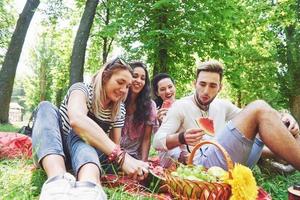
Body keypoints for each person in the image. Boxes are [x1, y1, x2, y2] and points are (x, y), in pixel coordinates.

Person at [32, 58, 149, 200]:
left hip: (86, 154)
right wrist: (122, 157)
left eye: (127, 86)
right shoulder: (82, 89)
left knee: (84, 137)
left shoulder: (119, 109)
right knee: (46, 107)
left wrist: (127, 161)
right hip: (55, 149)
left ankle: (90, 186)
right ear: (105, 77)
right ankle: (57, 181)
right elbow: (76, 119)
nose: (124, 90)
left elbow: (114, 144)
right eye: (120, 82)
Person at [153, 59, 300, 171]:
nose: (206, 91)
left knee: (288, 127)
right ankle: (283, 158)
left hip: (234, 163)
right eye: (202, 84)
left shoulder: (222, 105)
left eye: (212, 86)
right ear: (194, 83)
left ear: (220, 88)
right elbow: (157, 141)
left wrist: (284, 116)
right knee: (259, 106)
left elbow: (258, 119)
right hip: (203, 166)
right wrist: (181, 137)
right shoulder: (180, 106)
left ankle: (288, 160)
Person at [120, 62, 157, 161]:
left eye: (143, 78)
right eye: (135, 76)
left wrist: (144, 162)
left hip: (134, 157)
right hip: (113, 153)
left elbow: (146, 139)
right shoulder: (117, 98)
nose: (139, 81)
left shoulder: (149, 105)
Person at [151, 73, 182, 167]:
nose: (168, 91)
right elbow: (158, 143)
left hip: (186, 149)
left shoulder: (185, 106)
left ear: (174, 87)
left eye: (170, 87)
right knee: (174, 152)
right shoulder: (156, 112)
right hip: (168, 154)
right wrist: (161, 123)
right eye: (162, 89)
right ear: (157, 93)